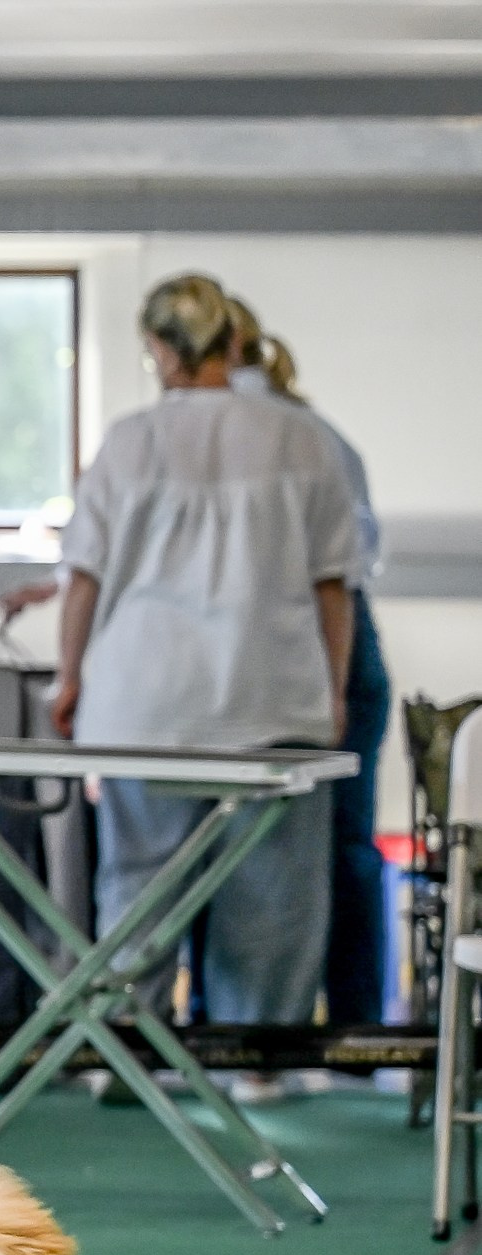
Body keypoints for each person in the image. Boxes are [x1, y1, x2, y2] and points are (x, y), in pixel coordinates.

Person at [50, 275, 358, 1089]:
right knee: (274, 903)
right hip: (269, 701)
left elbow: (83, 578)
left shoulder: (128, 442)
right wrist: (332, 693)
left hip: (143, 707)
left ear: (157, 351)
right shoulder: (300, 439)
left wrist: (70, 681)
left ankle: (126, 1058)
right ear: (233, 341)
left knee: (139, 890)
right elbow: (334, 583)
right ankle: (258, 1068)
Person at [227, 301, 393, 1027]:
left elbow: (328, 576)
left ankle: (253, 1033)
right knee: (334, 844)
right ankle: (351, 1027)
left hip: (316, 648)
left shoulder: (266, 434)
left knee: (260, 853)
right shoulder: (310, 430)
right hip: (326, 644)